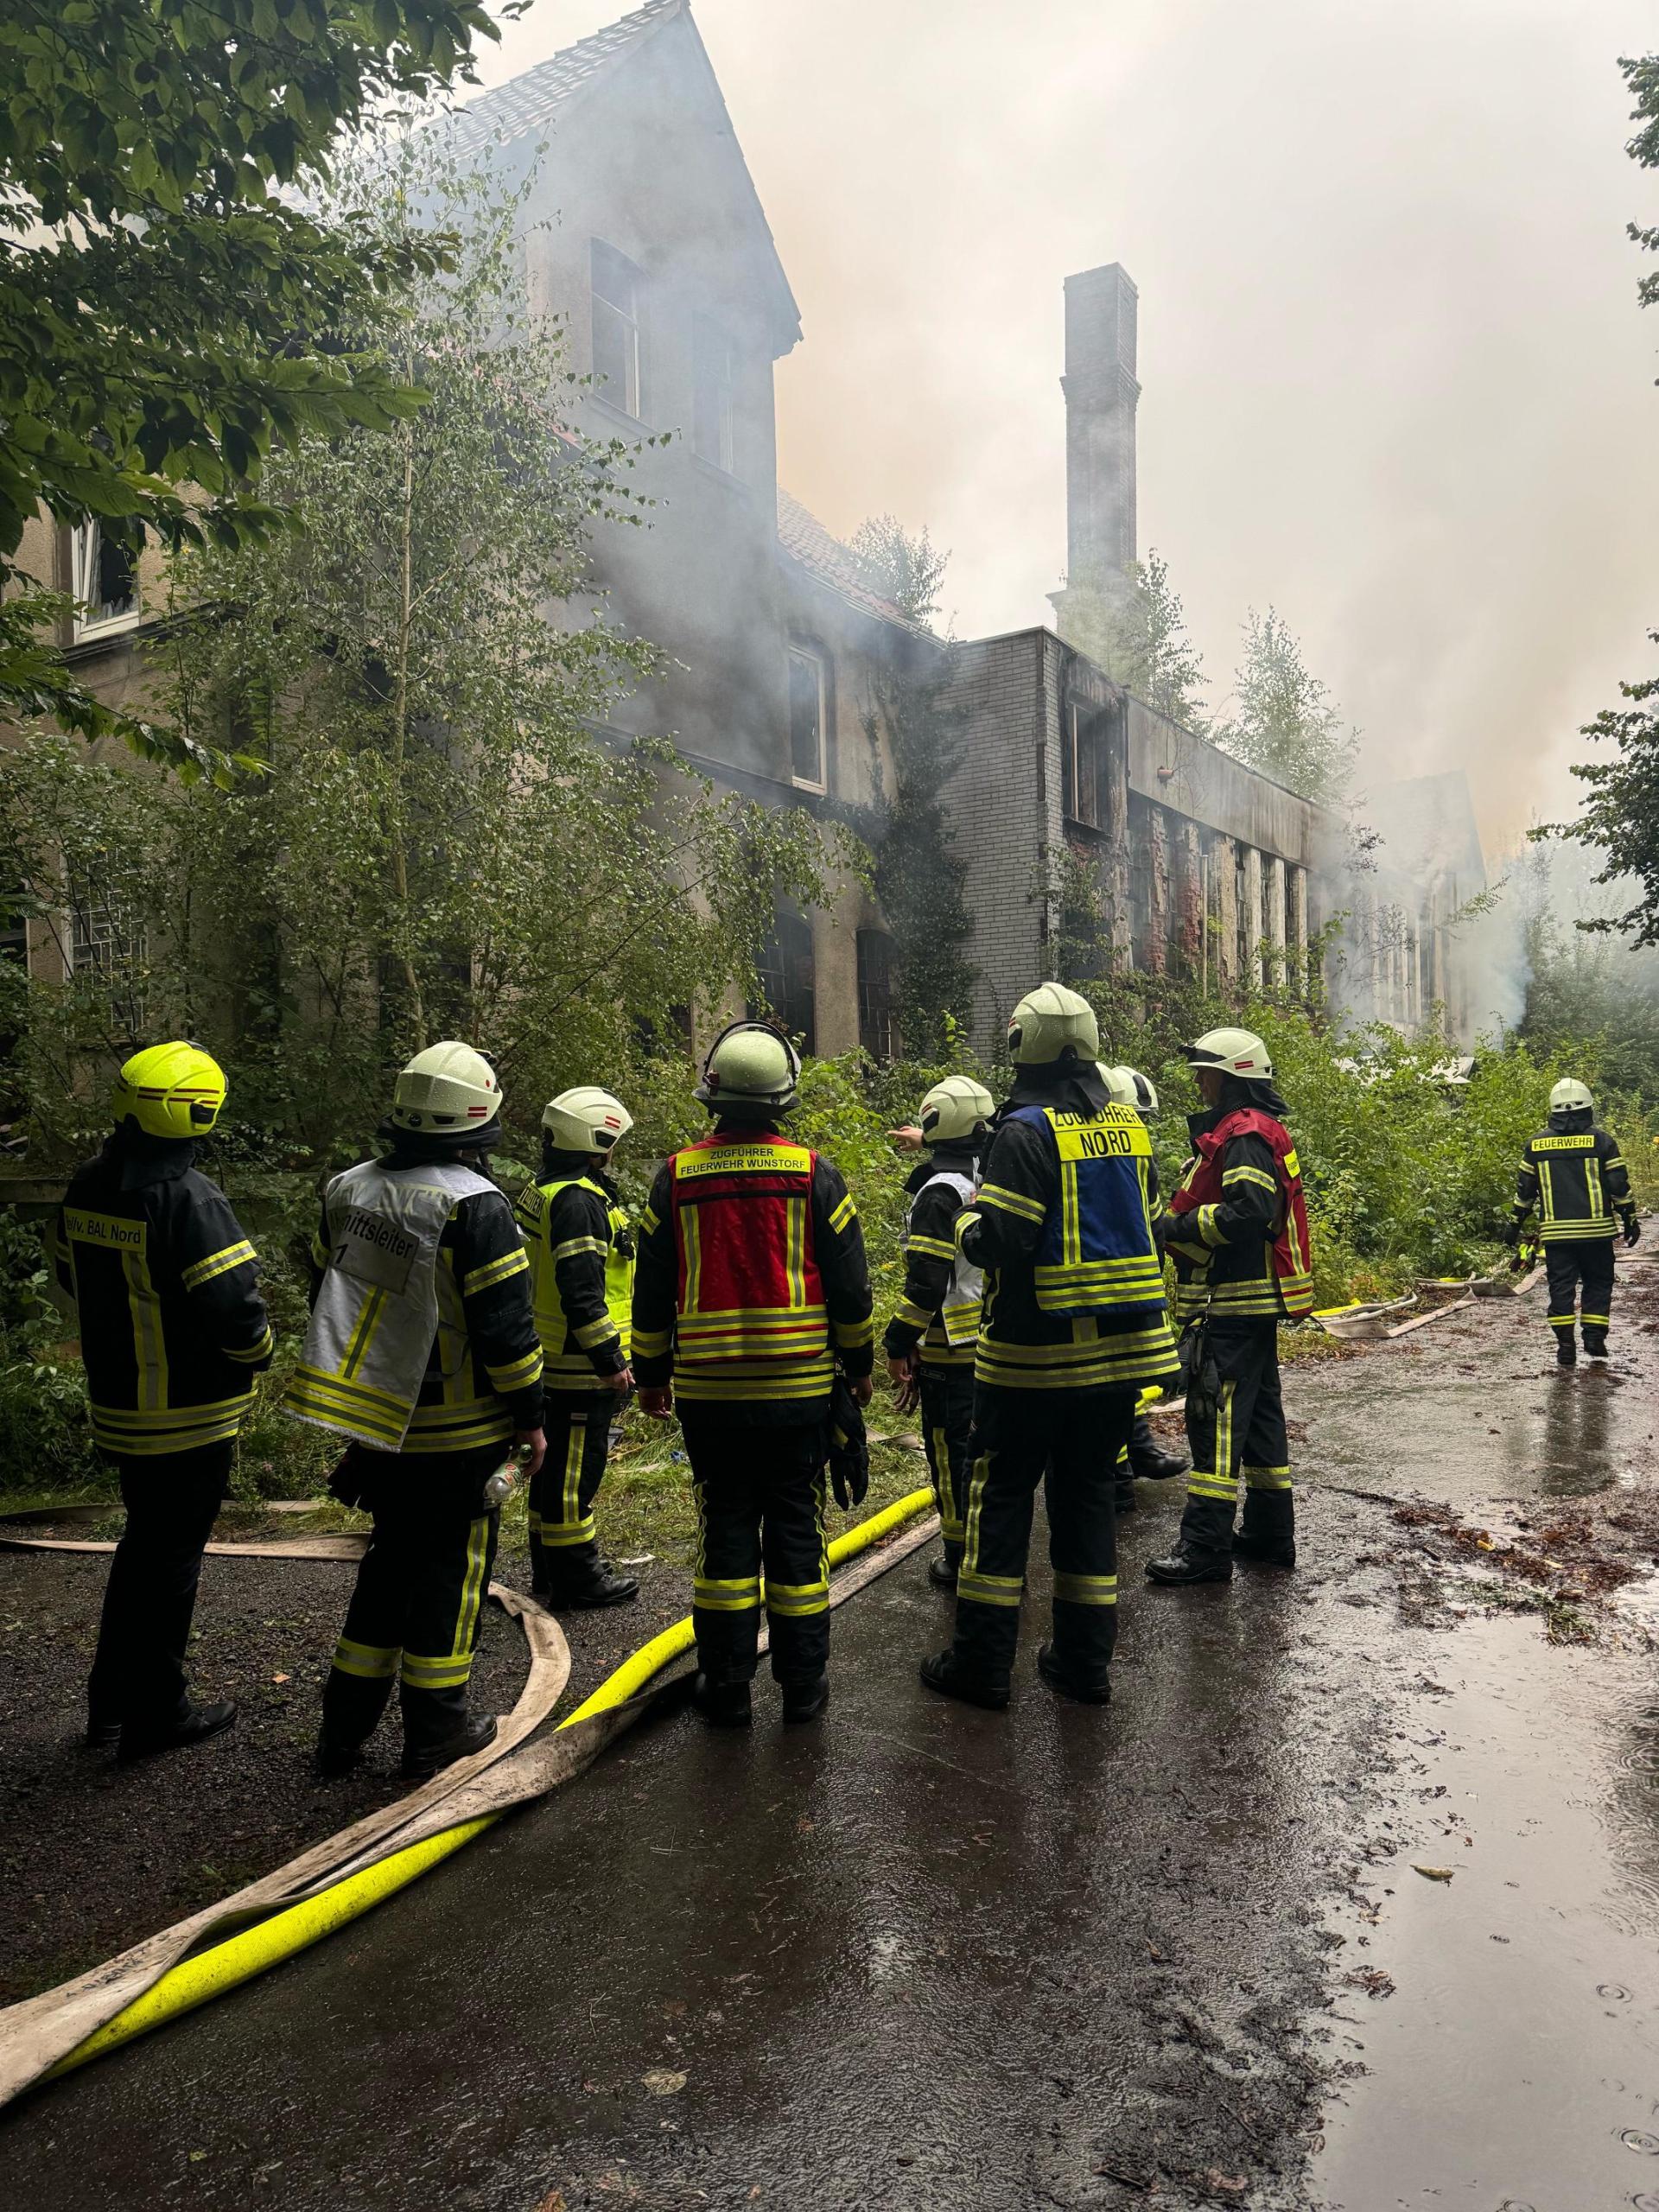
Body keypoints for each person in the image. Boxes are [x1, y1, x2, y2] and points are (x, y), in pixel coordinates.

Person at [290, 1043, 546, 1781]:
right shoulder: (475, 1204)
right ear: (480, 1117)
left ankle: (343, 1731)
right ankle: (435, 1733)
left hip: (375, 1421)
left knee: (389, 1563)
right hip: (460, 1426)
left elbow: (325, 1294)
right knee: (453, 1576)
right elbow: (506, 1328)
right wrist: (531, 1416)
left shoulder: (345, 1190)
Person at [921, 985, 1179, 1711]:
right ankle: (1083, 1665)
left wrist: (969, 1226)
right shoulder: (1128, 1125)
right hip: (1119, 1366)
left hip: (1032, 1363)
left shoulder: (1023, 1133)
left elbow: (1002, 1239)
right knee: (1088, 1501)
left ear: (1020, 1046)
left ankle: (981, 1666)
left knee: (999, 1504)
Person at [632, 1020, 874, 1727]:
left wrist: (651, 1375)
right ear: (784, 1098)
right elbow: (851, 1289)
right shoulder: (812, 1173)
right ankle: (804, 1689)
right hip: (798, 1394)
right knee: (798, 1529)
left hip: (709, 1398)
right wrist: (857, 1368)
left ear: (714, 1092)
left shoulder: (674, 1178)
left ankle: (728, 1688)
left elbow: (652, 1292)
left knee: (726, 1536)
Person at [50, 1041, 274, 1760]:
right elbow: (238, 1311)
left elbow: (66, 1279)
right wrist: (257, 1358)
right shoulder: (190, 1197)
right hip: (189, 1414)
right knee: (169, 1561)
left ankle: (109, 1707)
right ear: (200, 1113)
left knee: (143, 1550)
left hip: (120, 1406)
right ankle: (156, 1714)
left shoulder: (90, 1182)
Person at [1147, 1027, 1313, 1586]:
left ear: (1232, 1076)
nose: (1198, 1080)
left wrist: (1178, 1225)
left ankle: (1205, 1548)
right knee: (1261, 1422)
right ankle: (1269, 1535)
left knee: (1213, 1423)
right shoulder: (1252, 1131)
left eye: (1205, 1071)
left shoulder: (1242, 1136)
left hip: (1232, 1309)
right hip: (1251, 1308)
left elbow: (1250, 1213)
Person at [514, 1085, 639, 1608]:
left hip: (550, 1358)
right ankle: (578, 1581)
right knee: (573, 1480)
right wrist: (610, 1361)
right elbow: (582, 1292)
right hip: (577, 1368)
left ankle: (550, 1570)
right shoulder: (579, 1201)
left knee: (550, 1477)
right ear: (597, 1139)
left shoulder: (542, 1189)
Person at [884, 1075, 995, 1591]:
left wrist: (898, 1342)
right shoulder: (989, 1174)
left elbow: (926, 1282)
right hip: (988, 1338)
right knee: (984, 1446)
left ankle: (959, 1554)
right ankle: (985, 1541)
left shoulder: (935, 1195)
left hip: (947, 1345)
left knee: (950, 1454)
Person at [1099, 1064, 1190, 1503]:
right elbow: (1152, 1223)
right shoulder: (1112, 1155)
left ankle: (1133, 1457)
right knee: (1109, 1382)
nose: (1136, 1127)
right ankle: (1121, 1472)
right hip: (1108, 1291)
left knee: (1120, 1380)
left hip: (1113, 1290)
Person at [1504, 1076, 1639, 1368]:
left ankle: (1565, 1346)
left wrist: (1513, 1224)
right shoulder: (1601, 1141)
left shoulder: (1536, 1145)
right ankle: (1594, 1339)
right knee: (1598, 1283)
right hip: (1597, 1233)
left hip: (1557, 1235)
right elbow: (1618, 1184)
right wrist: (1630, 1217)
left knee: (1561, 1286)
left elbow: (1524, 1193)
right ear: (1588, 1108)